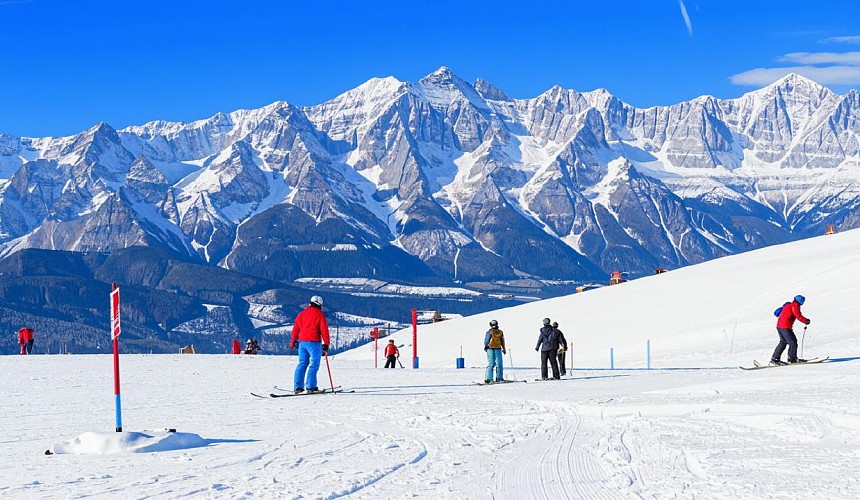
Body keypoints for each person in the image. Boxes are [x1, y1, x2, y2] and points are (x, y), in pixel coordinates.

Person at [290, 295, 330, 393]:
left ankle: (298, 387)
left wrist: (293, 342)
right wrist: (326, 344)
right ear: (319, 304)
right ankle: (311, 387)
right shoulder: (320, 314)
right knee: (314, 365)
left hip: (302, 343)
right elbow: (324, 330)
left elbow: (296, 328)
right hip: (314, 343)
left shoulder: (302, 314)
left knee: (302, 364)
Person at [771, 294, 811, 365]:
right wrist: (806, 321)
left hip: (779, 326)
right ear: (801, 302)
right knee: (793, 342)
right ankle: (792, 359)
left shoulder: (788, 305)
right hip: (785, 327)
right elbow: (798, 316)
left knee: (783, 342)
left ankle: (775, 359)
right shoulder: (795, 306)